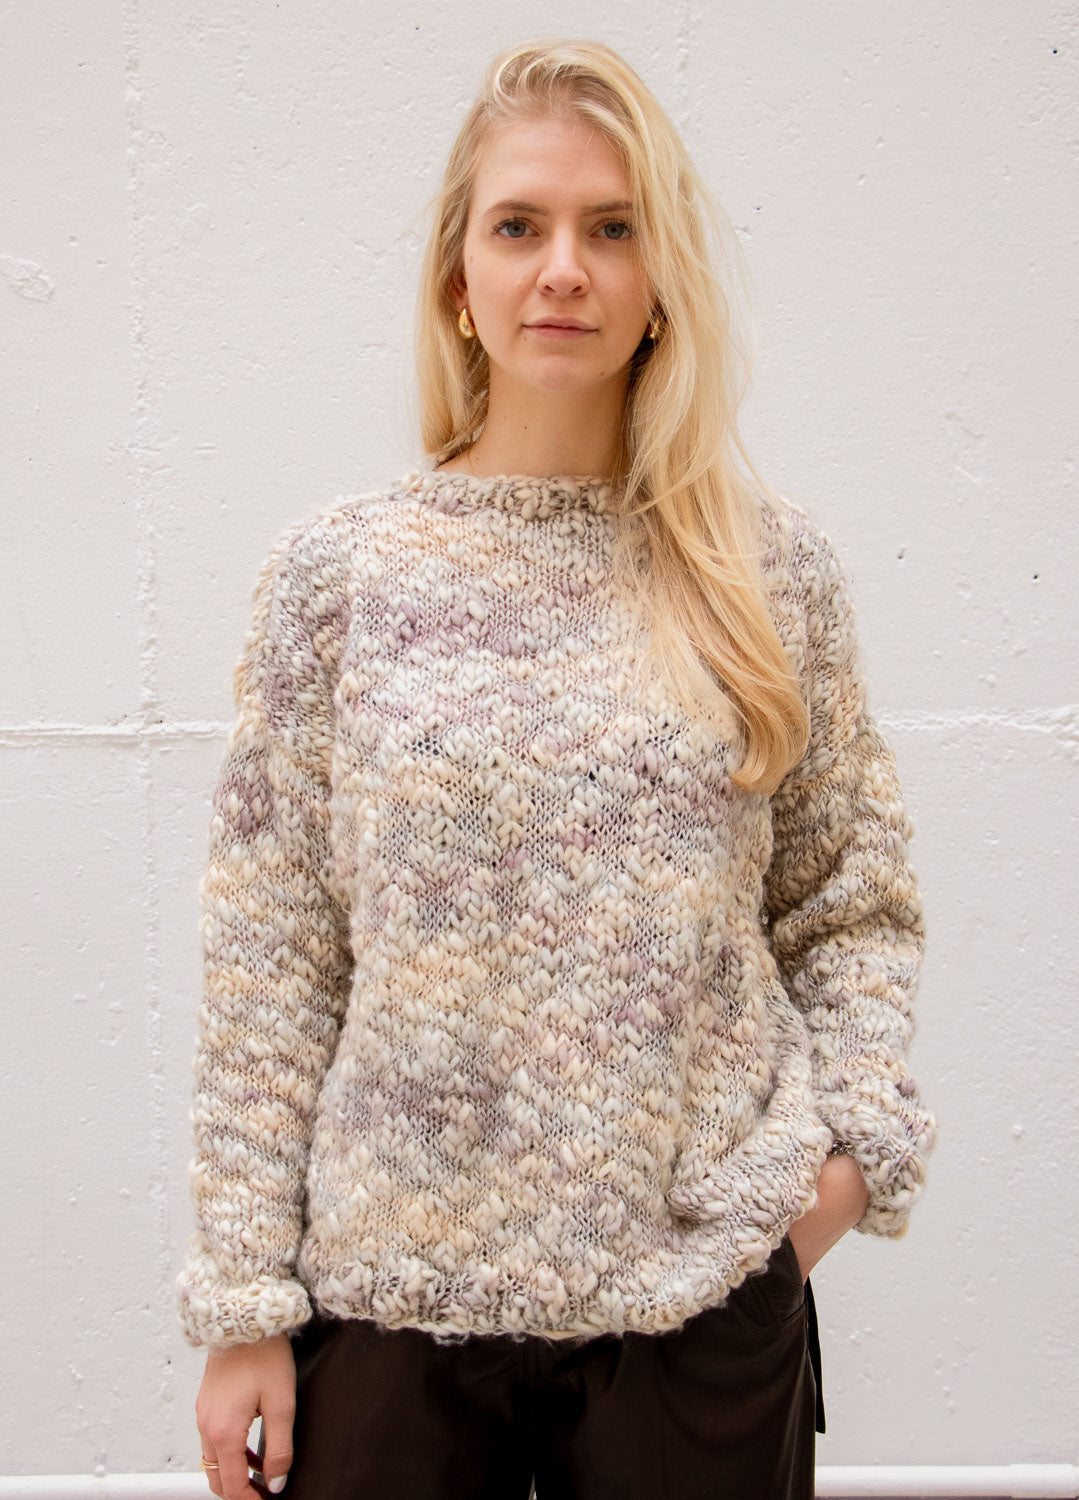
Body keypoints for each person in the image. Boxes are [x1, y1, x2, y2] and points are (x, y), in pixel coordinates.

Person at [177, 37, 937, 1500]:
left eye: (612, 228)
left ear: (662, 279)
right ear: (458, 279)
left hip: (701, 1311)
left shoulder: (767, 576)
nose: (564, 270)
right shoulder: (341, 578)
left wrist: (826, 1192)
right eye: (519, 226)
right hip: (387, 1310)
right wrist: (243, 1304)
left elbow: (851, 906)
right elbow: (272, 961)